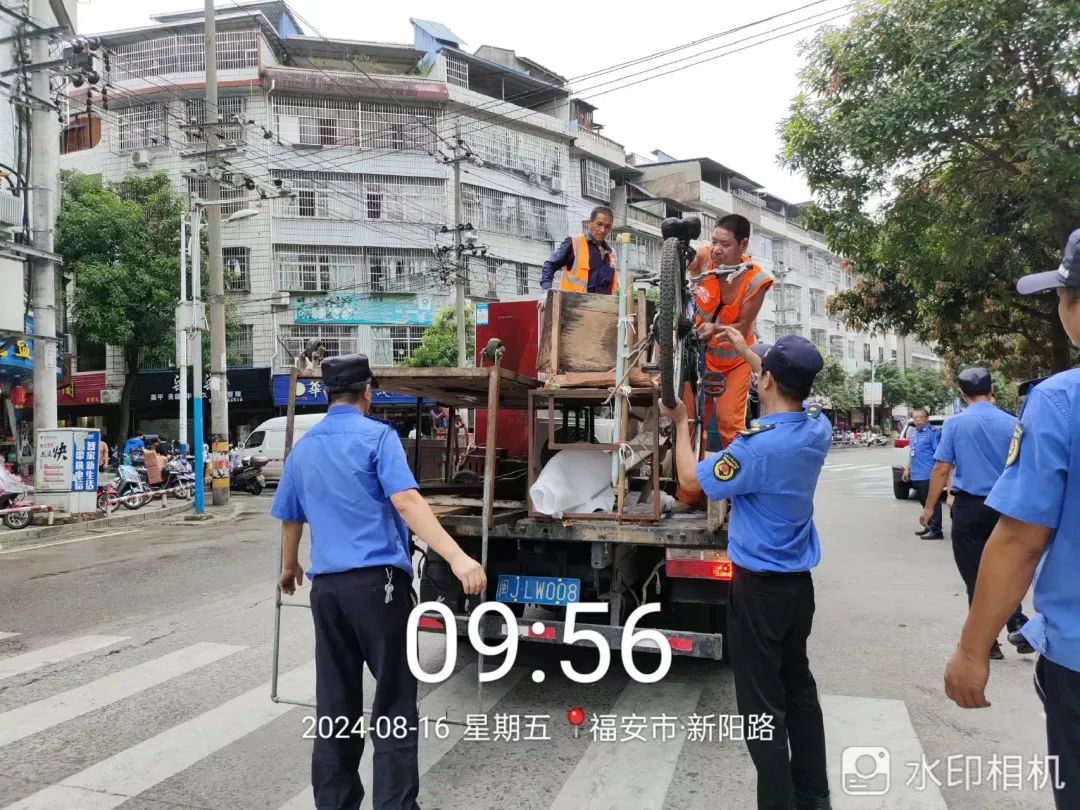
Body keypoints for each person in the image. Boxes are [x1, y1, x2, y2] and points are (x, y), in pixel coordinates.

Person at [271, 353, 486, 810]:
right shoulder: (378, 437)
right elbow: (406, 501)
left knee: (335, 704)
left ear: (328, 394)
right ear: (367, 392)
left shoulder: (303, 449)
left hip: (327, 594)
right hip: (378, 588)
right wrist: (458, 556)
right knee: (393, 704)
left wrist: (289, 567)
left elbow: (291, 516)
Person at [663, 328, 831, 810]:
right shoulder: (817, 428)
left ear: (768, 381)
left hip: (758, 593)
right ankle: (814, 798)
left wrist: (681, 423)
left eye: (762, 371)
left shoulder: (755, 450)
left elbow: (690, 478)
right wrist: (746, 353)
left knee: (761, 708)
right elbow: (785, 390)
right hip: (798, 591)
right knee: (799, 691)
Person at [944, 229, 1080, 810]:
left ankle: (1002, 633)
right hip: (1008, 502)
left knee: (977, 570)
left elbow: (1021, 541)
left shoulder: (1058, 400)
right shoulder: (1009, 417)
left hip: (992, 512)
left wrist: (971, 650)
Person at [919, 367, 1031, 660]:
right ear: (991, 390)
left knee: (975, 574)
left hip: (970, 508)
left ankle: (992, 638)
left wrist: (929, 507)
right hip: (1006, 506)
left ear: (962, 393)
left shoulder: (955, 425)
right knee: (1007, 568)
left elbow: (941, 468)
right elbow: (1025, 466)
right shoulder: (1013, 423)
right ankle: (1014, 622)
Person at [676, 214, 773, 507]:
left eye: (725, 244)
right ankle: (689, 496)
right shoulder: (705, 258)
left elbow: (743, 325)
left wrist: (715, 329)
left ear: (743, 245)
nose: (717, 249)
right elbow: (687, 263)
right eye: (714, 241)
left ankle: (735, 498)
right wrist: (678, 257)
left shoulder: (757, 279)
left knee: (730, 425)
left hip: (735, 361)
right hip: (698, 357)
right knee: (688, 422)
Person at [539, 205, 618, 294]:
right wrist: (546, 290)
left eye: (607, 226)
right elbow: (550, 264)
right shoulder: (574, 243)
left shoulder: (611, 255)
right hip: (572, 302)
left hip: (601, 303)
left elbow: (613, 288)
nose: (603, 230)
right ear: (590, 223)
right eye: (599, 224)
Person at [903, 408, 943, 539]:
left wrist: (937, 473)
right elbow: (912, 453)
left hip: (928, 473)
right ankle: (929, 526)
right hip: (916, 473)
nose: (917, 420)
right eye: (914, 417)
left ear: (926, 418)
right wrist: (908, 468)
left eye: (920, 417)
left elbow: (938, 454)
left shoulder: (933, 433)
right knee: (923, 502)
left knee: (932, 502)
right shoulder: (914, 433)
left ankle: (936, 530)